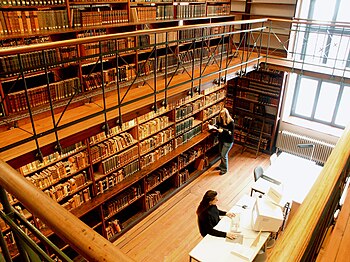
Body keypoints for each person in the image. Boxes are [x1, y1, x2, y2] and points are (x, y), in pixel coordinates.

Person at [216, 108, 234, 175]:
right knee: (221, 153)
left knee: (224, 155)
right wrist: (214, 127)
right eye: (220, 114)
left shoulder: (231, 123)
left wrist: (223, 131)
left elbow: (230, 134)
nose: (221, 116)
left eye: (222, 115)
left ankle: (224, 169)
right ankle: (221, 166)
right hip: (222, 140)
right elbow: (218, 126)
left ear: (226, 115)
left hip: (228, 141)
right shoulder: (220, 120)